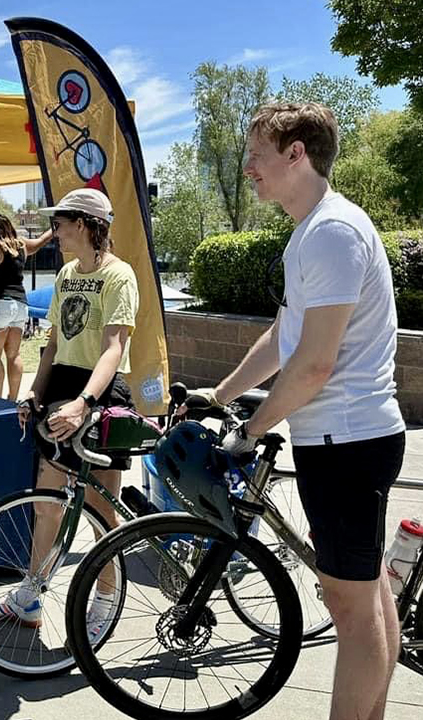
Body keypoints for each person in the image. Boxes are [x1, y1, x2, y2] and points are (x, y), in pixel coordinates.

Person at [192, 102, 405, 720]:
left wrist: (250, 431)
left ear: (296, 154)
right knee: (365, 598)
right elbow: (282, 336)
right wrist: (221, 395)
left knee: (348, 603)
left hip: (347, 441)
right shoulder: (311, 232)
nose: (248, 168)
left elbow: (314, 365)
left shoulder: (333, 232)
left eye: (257, 154)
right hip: (341, 439)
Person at [0, 188, 139, 641]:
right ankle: (29, 596)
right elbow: (53, 343)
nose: (57, 231)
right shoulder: (68, 273)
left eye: (62, 222)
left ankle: (105, 599)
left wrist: (84, 402)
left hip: (102, 390)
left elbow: (115, 347)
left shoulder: (120, 275)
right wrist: (34, 393)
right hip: (63, 386)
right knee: (47, 501)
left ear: (86, 225)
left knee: (101, 509)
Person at [0, 214, 53, 400]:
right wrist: (55, 227)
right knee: (14, 354)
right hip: (21, 306)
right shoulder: (22, 245)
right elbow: (41, 241)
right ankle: (13, 400)